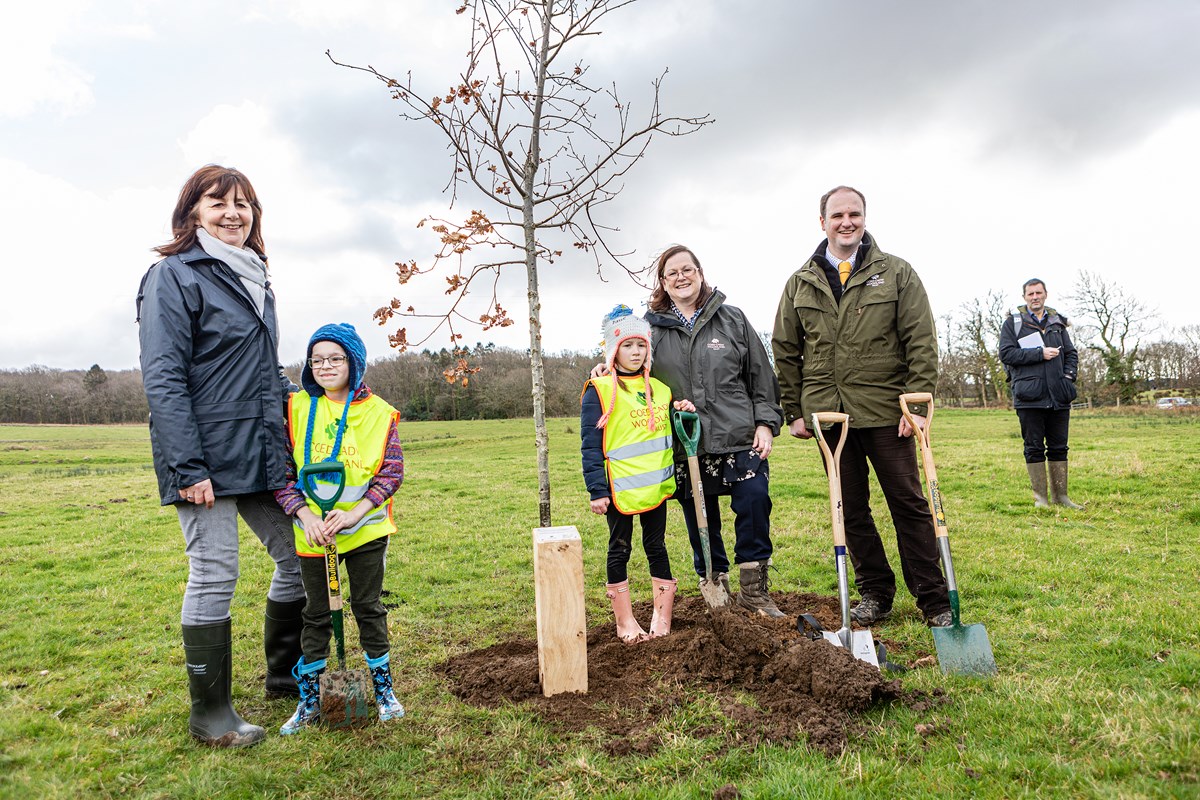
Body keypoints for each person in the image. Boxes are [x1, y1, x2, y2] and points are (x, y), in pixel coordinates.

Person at [137, 165, 306, 748]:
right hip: (204, 457)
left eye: (244, 204)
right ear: (192, 213)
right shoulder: (172, 276)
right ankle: (211, 715)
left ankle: (286, 675)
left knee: (299, 555)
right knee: (215, 574)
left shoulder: (256, 278)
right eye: (218, 203)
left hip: (260, 451)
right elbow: (164, 378)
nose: (233, 213)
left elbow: (262, 374)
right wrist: (187, 467)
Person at [772, 185, 952, 628]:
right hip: (830, 417)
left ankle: (934, 598)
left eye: (854, 214)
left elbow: (921, 340)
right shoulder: (801, 281)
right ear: (823, 223)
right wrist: (793, 409)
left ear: (865, 219)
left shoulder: (896, 273)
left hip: (888, 412)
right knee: (849, 509)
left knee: (908, 503)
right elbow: (784, 349)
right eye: (837, 215)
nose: (846, 222)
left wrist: (919, 402)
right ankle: (875, 592)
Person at [273, 323, 406, 734]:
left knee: (368, 608)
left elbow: (392, 472)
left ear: (355, 363)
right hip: (313, 535)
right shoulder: (294, 408)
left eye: (335, 358)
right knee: (315, 614)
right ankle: (310, 701)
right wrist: (305, 515)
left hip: (364, 531)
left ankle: (384, 692)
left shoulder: (380, 413)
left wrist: (355, 513)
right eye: (317, 359)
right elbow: (279, 472)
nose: (325, 366)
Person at [643, 245, 786, 618]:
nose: (681, 277)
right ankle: (715, 584)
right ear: (662, 282)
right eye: (672, 273)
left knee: (754, 501)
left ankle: (754, 590)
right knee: (700, 515)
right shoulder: (651, 331)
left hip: (739, 435)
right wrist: (602, 369)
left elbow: (761, 376)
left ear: (700, 273)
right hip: (687, 440)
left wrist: (766, 424)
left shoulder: (732, 319)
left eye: (687, 269)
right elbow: (626, 365)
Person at [581, 305, 695, 642]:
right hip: (619, 490)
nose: (635, 352)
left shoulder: (661, 389)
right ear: (614, 350)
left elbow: (667, 434)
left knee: (656, 546)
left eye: (641, 345)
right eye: (628, 346)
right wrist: (596, 489)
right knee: (620, 549)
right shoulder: (598, 390)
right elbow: (590, 444)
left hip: (655, 489)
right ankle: (625, 622)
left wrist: (681, 412)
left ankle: (662, 618)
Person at [998, 279, 1084, 509]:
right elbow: (1006, 354)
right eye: (1030, 294)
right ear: (1024, 297)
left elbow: (1072, 354)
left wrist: (1068, 376)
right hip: (1029, 397)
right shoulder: (1012, 324)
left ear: (1045, 294)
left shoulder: (1058, 323)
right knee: (1034, 447)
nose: (1035, 297)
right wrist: (1039, 353)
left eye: (1038, 293)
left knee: (1059, 447)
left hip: (1059, 396)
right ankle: (1041, 499)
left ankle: (1061, 497)